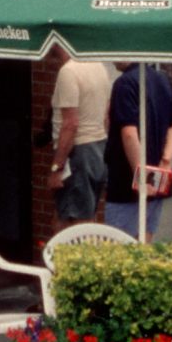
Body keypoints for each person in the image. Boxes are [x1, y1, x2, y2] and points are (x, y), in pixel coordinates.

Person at [104, 62, 172, 237]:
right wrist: (166, 160)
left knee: (119, 252)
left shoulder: (124, 83)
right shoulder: (162, 79)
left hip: (126, 185)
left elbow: (129, 133)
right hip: (157, 178)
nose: (113, 59)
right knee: (145, 244)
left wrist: (141, 177)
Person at [49, 52, 114, 225]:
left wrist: (57, 168)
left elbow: (70, 124)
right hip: (99, 148)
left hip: (77, 152)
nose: (53, 53)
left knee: (74, 220)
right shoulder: (99, 65)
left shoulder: (68, 72)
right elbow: (106, 116)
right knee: (86, 213)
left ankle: (66, 253)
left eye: (55, 46)